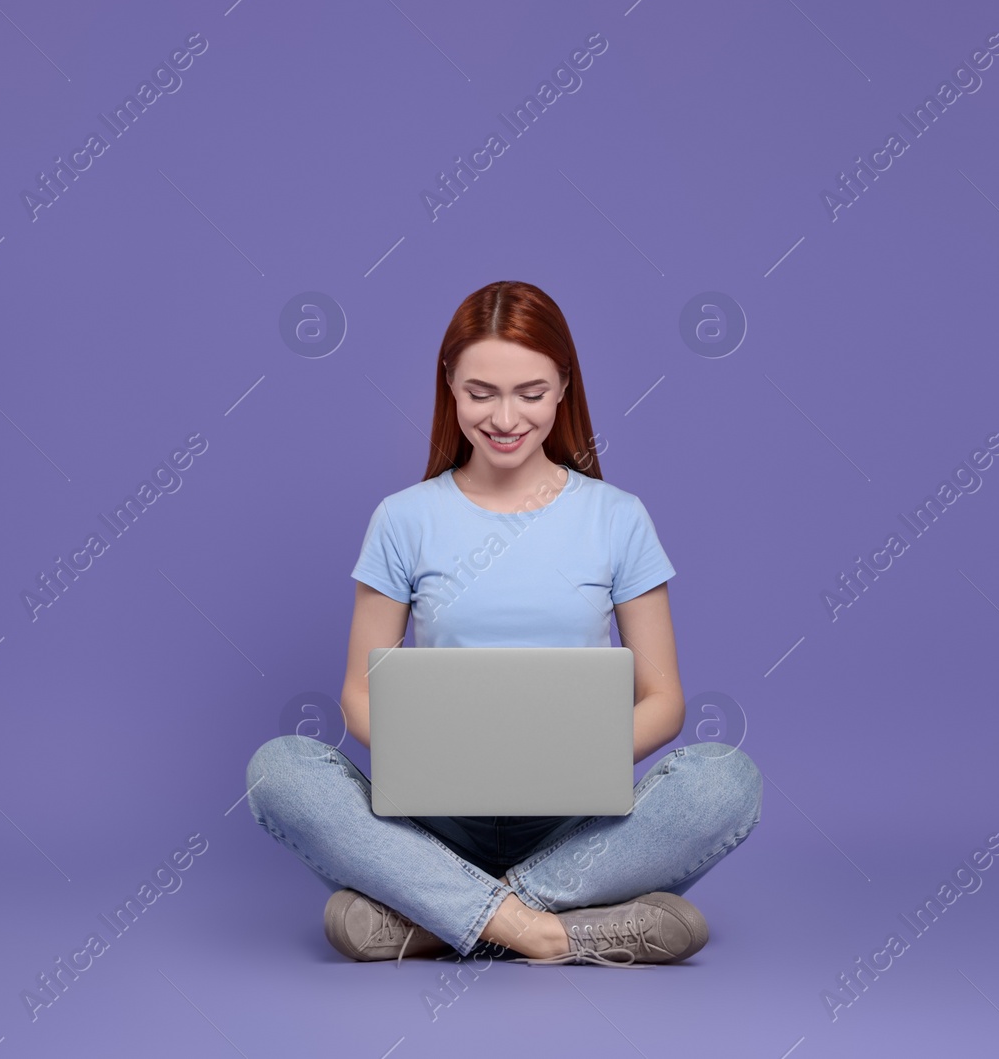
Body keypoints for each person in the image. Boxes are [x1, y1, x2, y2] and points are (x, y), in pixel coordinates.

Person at [245, 280, 762, 968]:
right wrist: (434, 756)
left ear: (563, 388)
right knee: (278, 768)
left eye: (531, 391)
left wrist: (569, 759)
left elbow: (664, 700)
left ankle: (435, 917)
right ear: (450, 388)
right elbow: (358, 695)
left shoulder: (618, 517)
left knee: (727, 780)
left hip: (575, 825)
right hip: (435, 820)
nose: (506, 415)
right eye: (481, 391)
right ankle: (552, 930)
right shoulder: (403, 518)